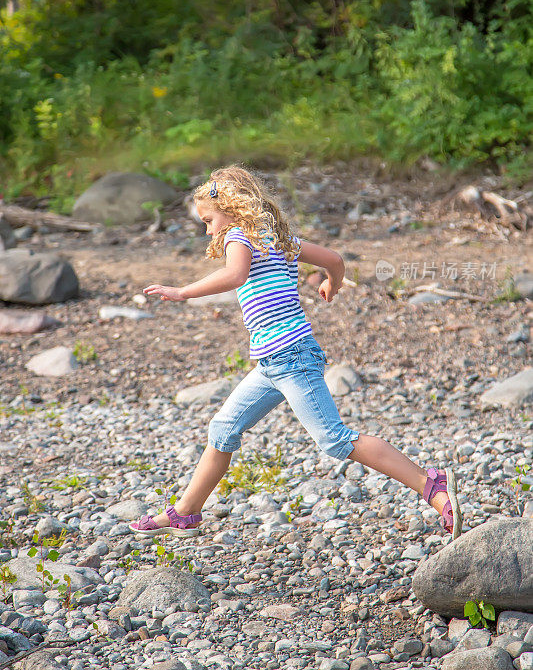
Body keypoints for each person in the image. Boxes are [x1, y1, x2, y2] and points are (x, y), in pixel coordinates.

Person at [129, 166, 462, 540]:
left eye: (208, 220)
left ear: (232, 208)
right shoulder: (281, 239)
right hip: (273, 362)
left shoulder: (238, 235)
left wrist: (183, 291)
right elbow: (334, 259)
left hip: (291, 357)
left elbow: (236, 275)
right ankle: (185, 513)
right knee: (223, 429)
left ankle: (428, 483)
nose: (209, 230)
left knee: (335, 439)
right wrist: (331, 287)